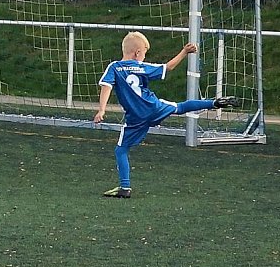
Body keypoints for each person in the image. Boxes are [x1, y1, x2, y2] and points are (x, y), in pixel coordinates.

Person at [93, 31, 240, 198]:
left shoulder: (115, 67)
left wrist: (102, 109)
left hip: (136, 117)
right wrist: (184, 52)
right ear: (138, 53)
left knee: (121, 150)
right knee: (180, 107)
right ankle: (214, 103)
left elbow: (106, 86)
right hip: (153, 107)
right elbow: (168, 67)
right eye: (145, 53)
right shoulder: (141, 67)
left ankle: (125, 187)